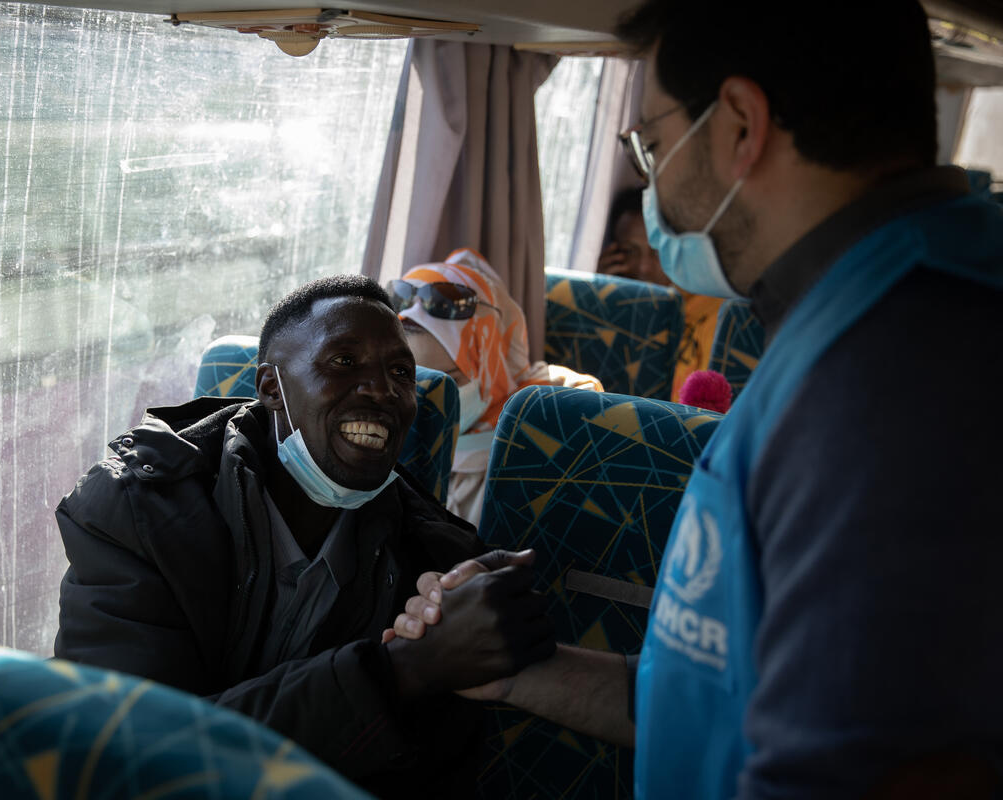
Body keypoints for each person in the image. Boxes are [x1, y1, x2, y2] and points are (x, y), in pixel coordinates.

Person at [386, 1, 1003, 797]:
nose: (652, 179)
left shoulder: (899, 377)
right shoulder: (863, 312)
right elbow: (720, 700)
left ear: (741, 125)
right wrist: (515, 673)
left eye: (651, 142)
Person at [53, 275, 555, 797]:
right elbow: (131, 755)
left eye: (400, 373)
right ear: (272, 388)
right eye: (344, 362)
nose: (382, 390)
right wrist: (401, 671)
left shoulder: (436, 563)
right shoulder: (137, 510)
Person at [389, 247, 602, 526]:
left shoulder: (554, 416)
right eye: (408, 380)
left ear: (491, 365)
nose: (427, 401)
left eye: (449, 382)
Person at [599, 185, 725, 404]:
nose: (644, 267)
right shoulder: (601, 310)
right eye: (630, 251)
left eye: (656, 252)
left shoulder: (714, 312)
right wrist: (601, 296)